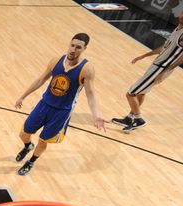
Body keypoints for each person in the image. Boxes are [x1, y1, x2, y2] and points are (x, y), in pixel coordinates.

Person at [13, 33, 106, 176]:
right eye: (72, 45)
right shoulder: (56, 60)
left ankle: (31, 161)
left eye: (78, 47)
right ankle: (27, 146)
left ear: (84, 48)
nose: (73, 50)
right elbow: (41, 80)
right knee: (24, 133)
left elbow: (91, 94)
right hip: (44, 104)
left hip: (62, 111)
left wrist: (96, 115)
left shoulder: (86, 69)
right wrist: (22, 97)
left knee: (43, 140)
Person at [111, 12, 183, 133]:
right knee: (141, 92)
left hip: (161, 68)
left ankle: (139, 119)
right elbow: (164, 47)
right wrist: (143, 56)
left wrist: (164, 72)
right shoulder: (177, 29)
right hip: (156, 65)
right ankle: (130, 118)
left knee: (131, 93)